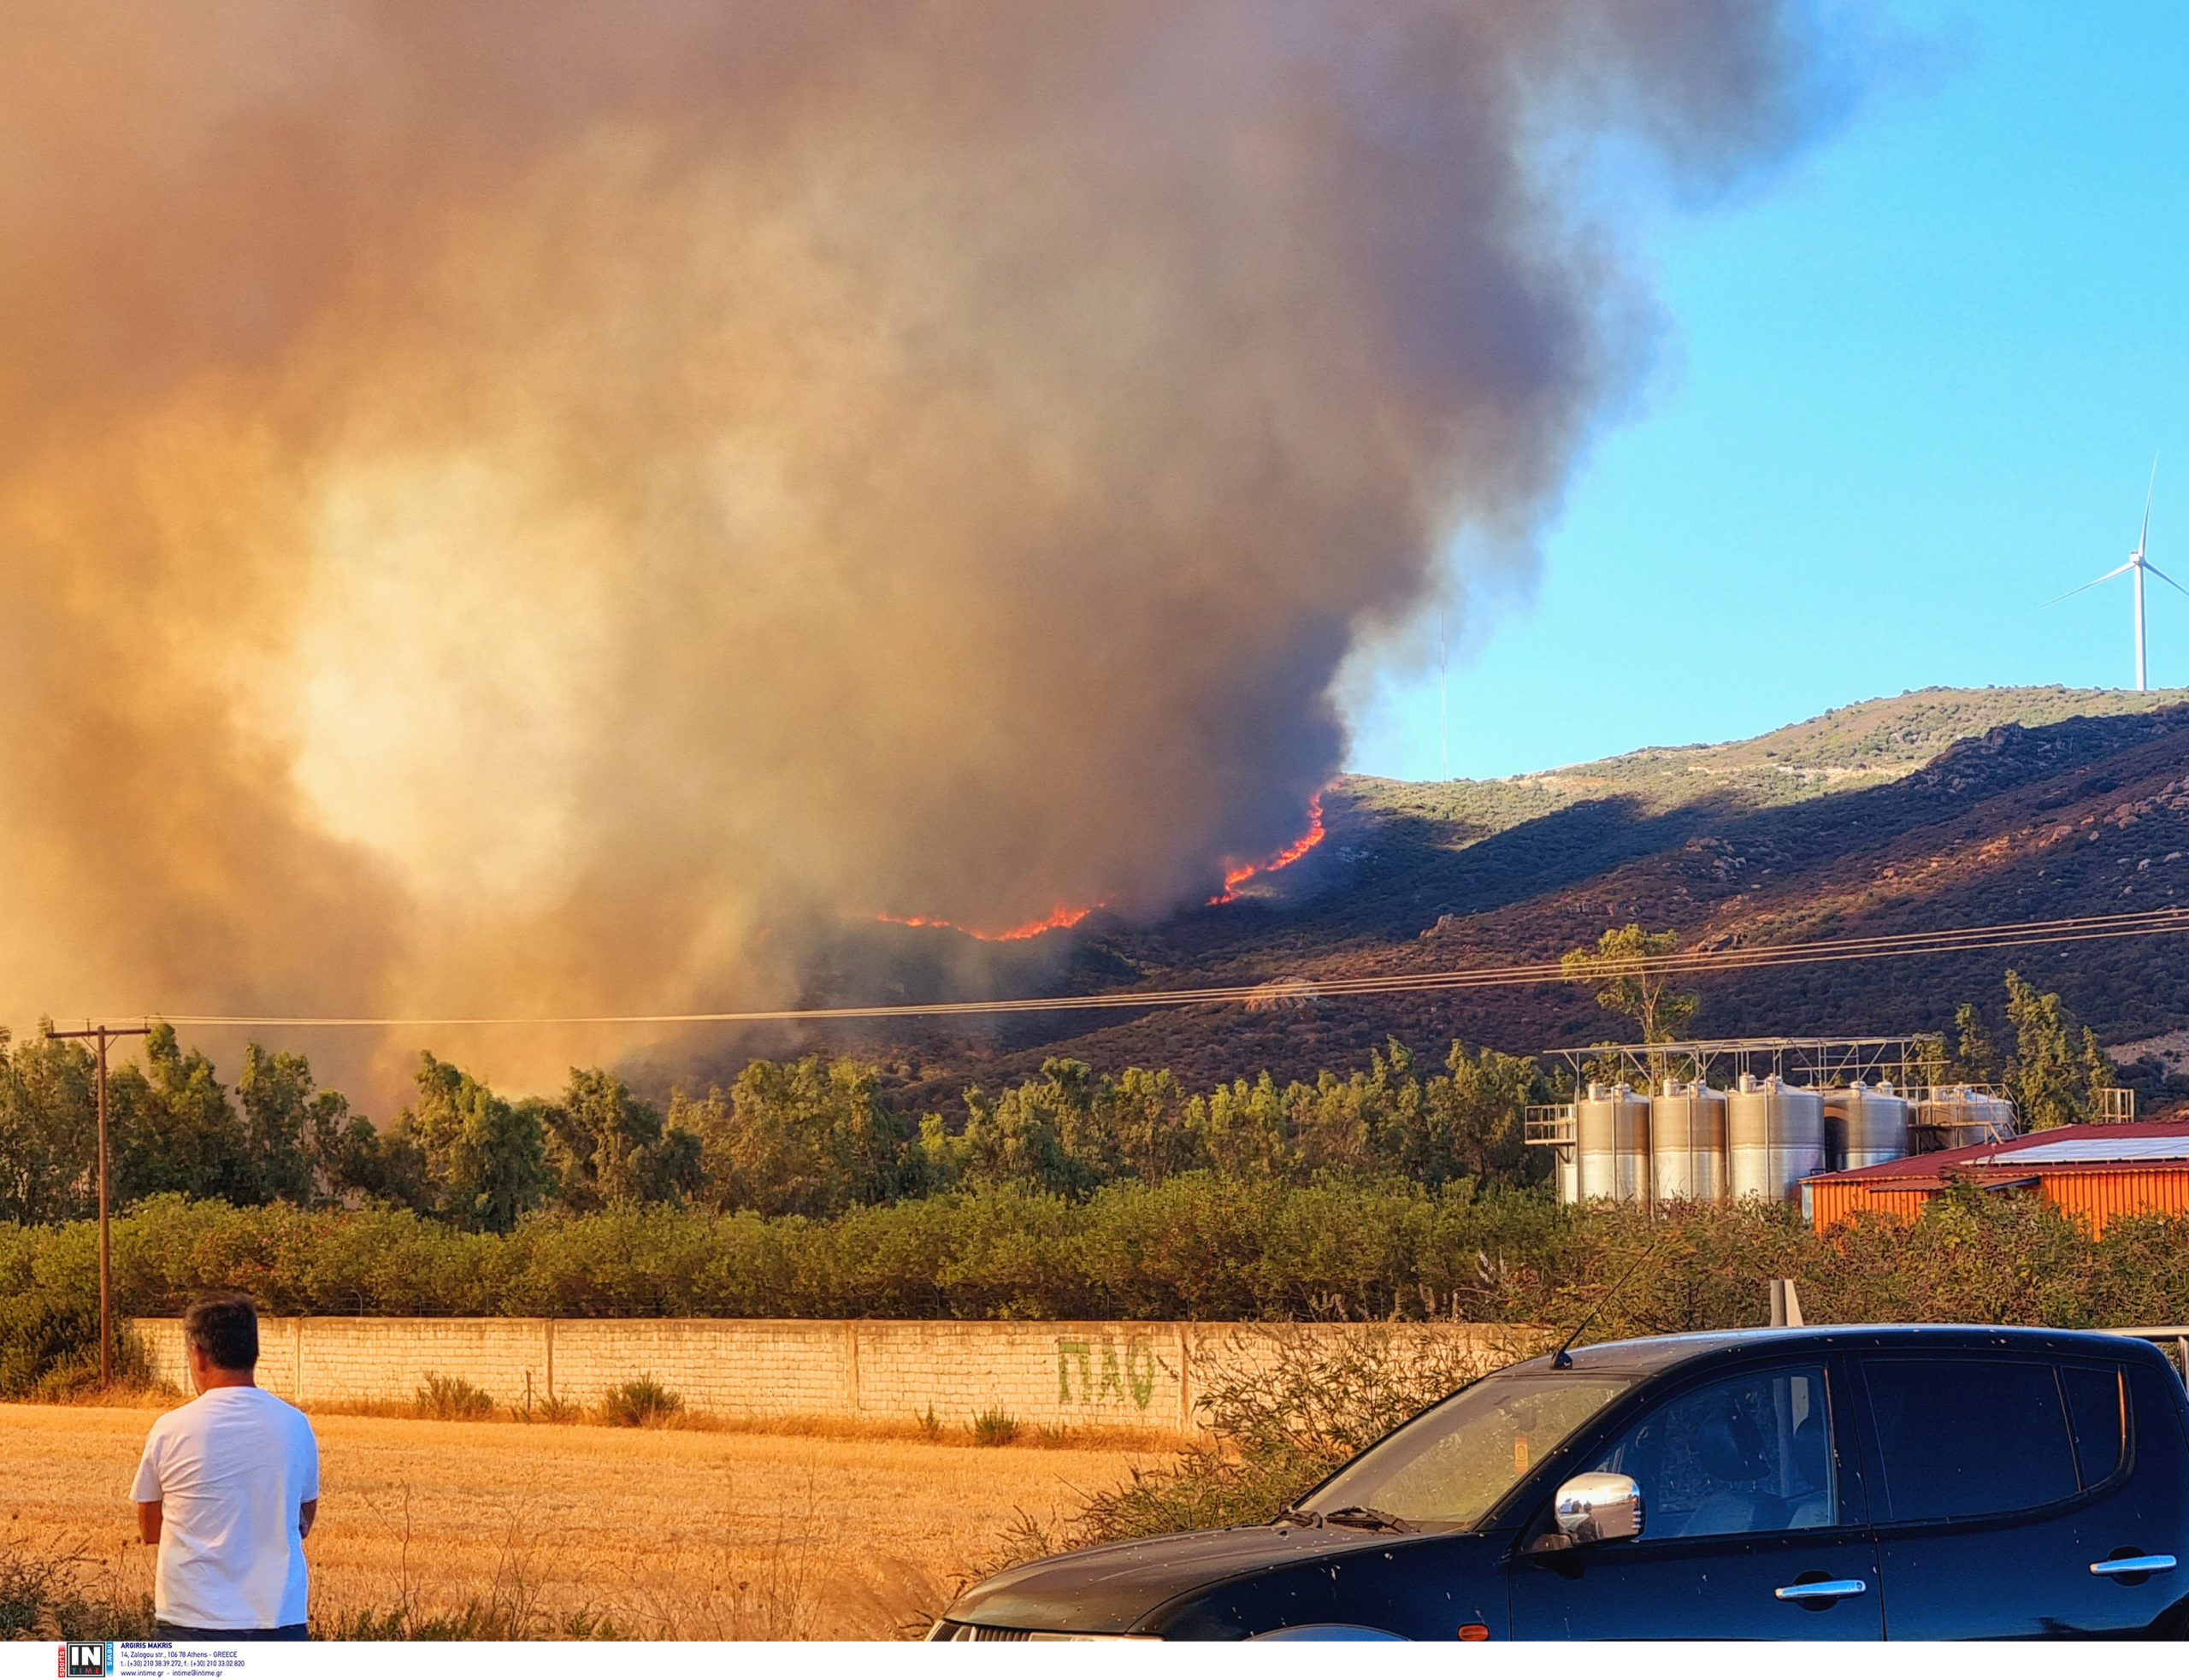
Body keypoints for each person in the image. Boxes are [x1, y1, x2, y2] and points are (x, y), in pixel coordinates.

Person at [130, 1293, 321, 1642]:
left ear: (198, 1356)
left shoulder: (171, 1428)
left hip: (189, 1622)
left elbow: (151, 1529)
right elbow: (304, 1519)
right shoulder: (295, 1425)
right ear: (255, 1353)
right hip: (280, 1621)